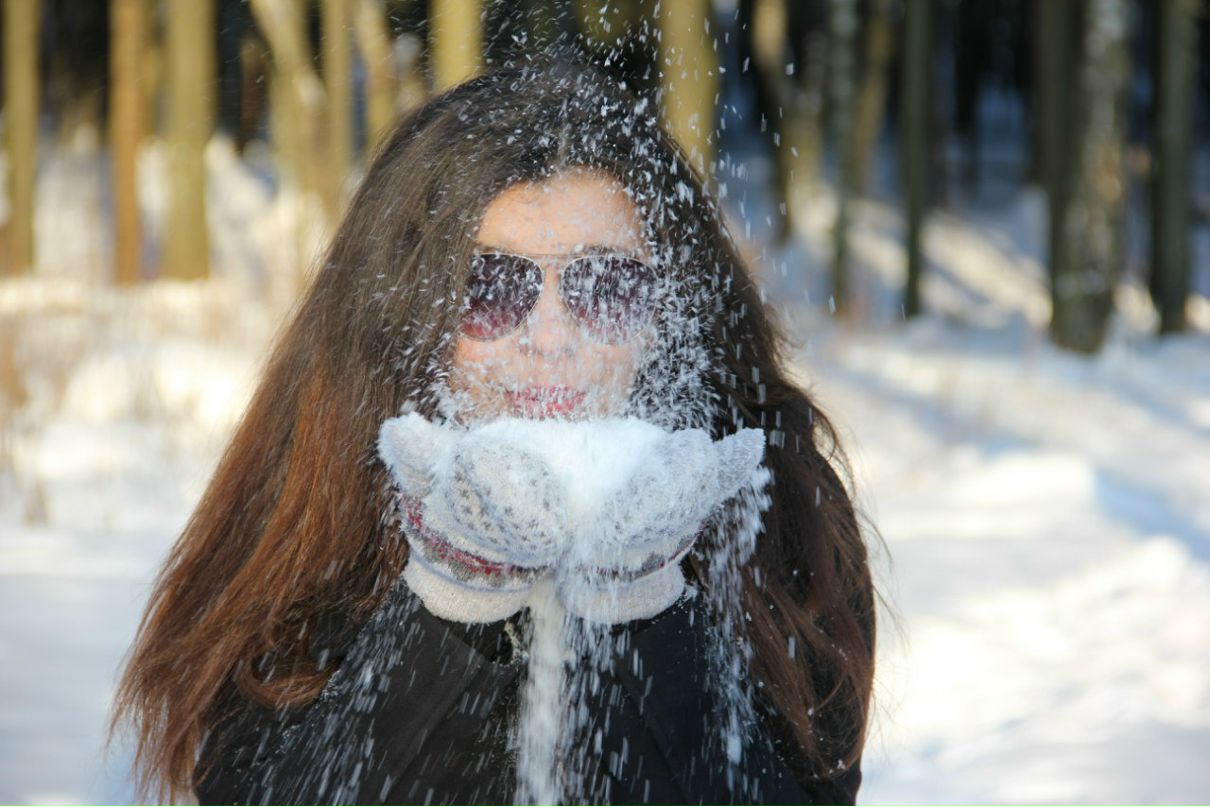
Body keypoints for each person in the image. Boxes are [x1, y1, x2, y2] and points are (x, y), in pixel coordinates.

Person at [112, 58, 878, 806]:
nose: (549, 338)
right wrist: (451, 608)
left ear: (668, 315)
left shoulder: (773, 511)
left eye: (604, 286)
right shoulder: (325, 497)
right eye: (491, 288)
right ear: (410, 307)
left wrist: (646, 615)